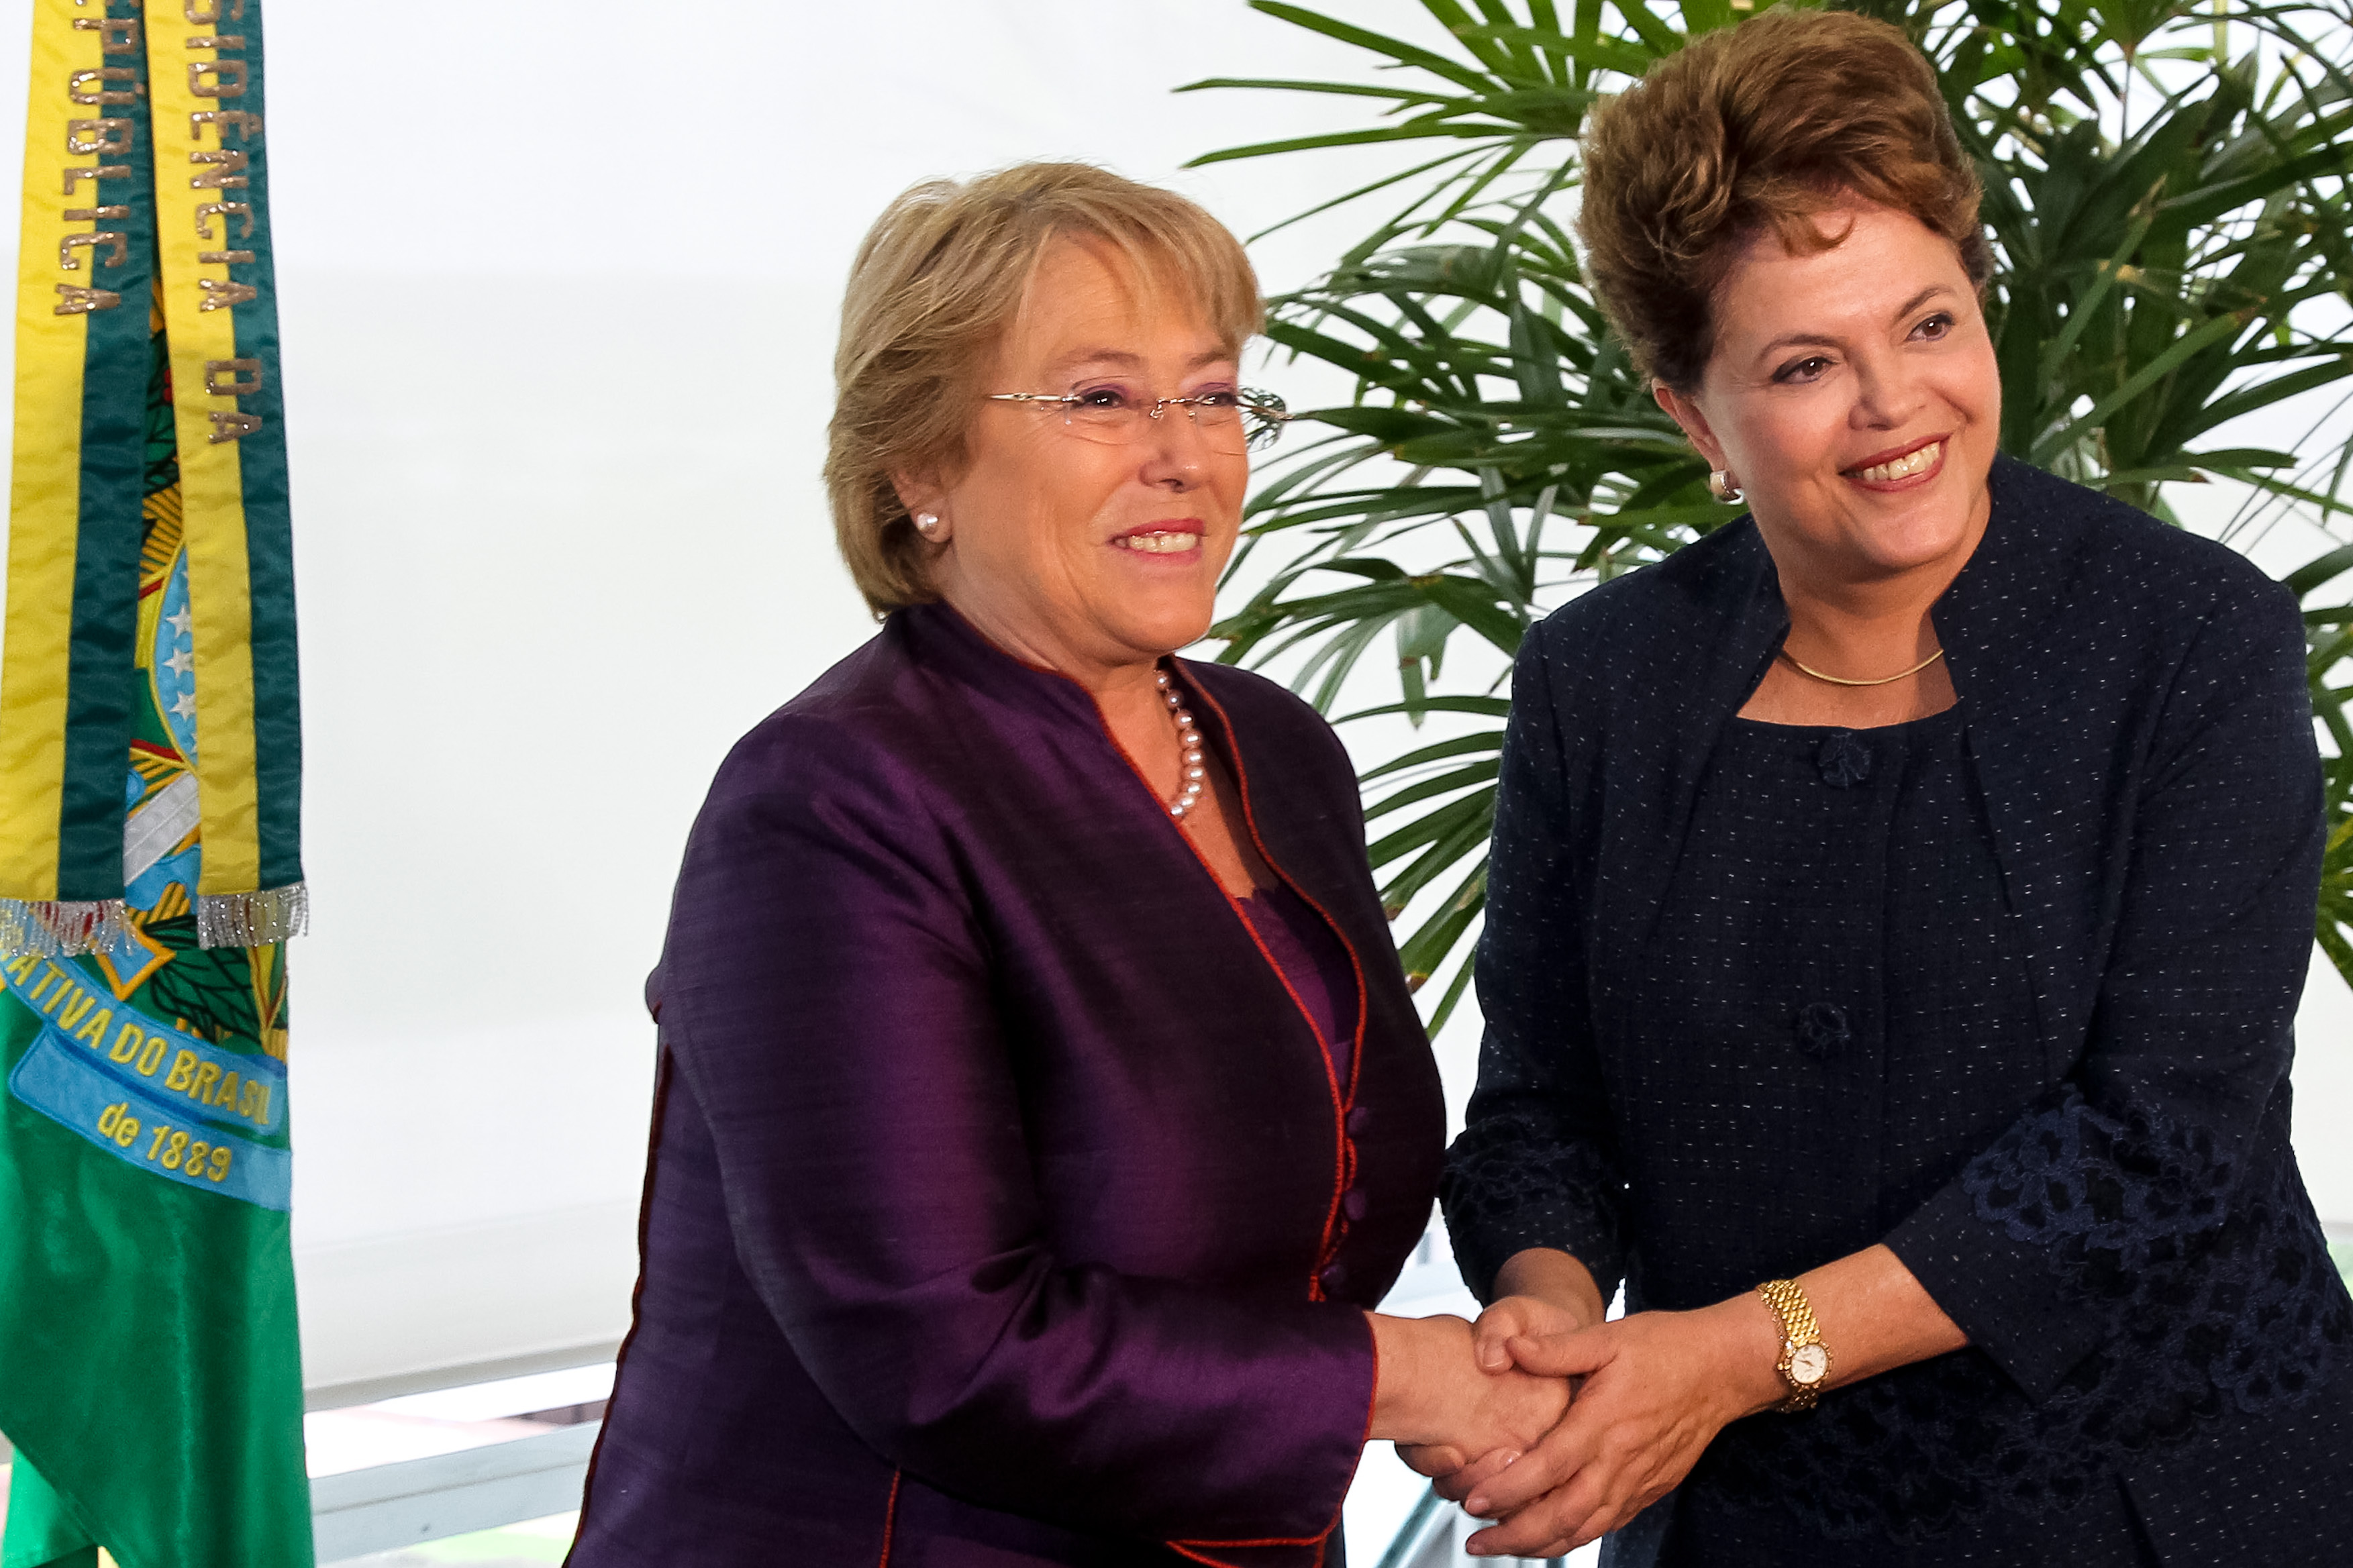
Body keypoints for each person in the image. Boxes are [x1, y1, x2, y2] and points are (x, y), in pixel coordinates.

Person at [1424, 11, 2353, 1565]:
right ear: (1692, 417)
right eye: (1803, 363)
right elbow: (1541, 1107)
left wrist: (1718, 1360)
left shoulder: (2194, 637)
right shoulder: (1599, 680)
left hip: (2168, 1505)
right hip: (1744, 1523)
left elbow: (2155, 1143)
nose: (1892, 406)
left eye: (1927, 323)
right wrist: (1549, 1327)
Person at [565, 162, 1565, 1568]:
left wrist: (1507, 1332)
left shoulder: (1273, 747)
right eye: (1100, 398)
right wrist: (1408, 1376)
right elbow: (944, 1346)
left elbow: (1315, 1210)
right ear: (920, 465)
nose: (1183, 453)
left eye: (1212, 392)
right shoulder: (829, 799)